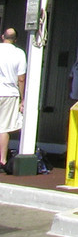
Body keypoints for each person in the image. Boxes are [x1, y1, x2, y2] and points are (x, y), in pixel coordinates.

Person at [0, 29, 27, 172]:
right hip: (9, 93)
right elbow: (21, 78)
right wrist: (23, 99)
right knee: (3, 128)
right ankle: (2, 160)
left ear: (2, 36)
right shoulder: (19, 53)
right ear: (15, 40)